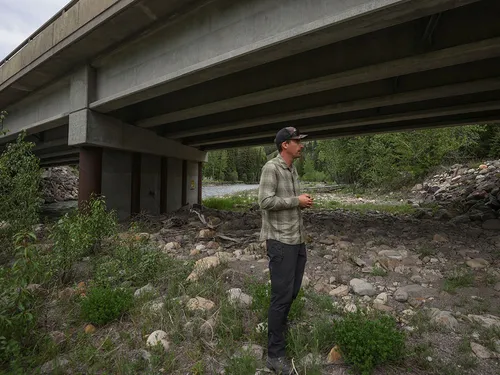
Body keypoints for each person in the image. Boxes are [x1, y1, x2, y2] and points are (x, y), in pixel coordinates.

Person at [258, 126, 313, 374]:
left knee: (292, 291)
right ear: (285, 145)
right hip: (280, 241)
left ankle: (277, 327)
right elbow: (265, 201)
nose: (301, 144)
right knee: (280, 297)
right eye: (296, 141)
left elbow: (287, 203)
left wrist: (301, 204)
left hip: (297, 239)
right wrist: (296, 201)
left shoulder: (292, 169)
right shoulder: (271, 168)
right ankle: (275, 355)